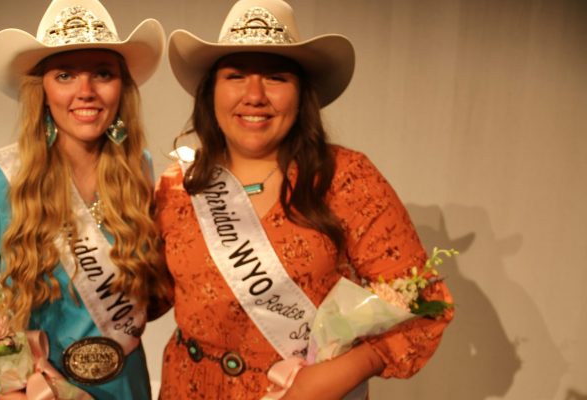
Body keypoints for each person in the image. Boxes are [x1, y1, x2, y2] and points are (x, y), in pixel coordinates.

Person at [156, 0, 454, 398]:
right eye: (236, 75)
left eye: (276, 78)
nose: (255, 95)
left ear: (301, 95)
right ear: (211, 91)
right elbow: (147, 297)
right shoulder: (178, 186)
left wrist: (347, 371)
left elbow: (424, 301)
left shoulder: (345, 177)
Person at [0, 0, 170, 398]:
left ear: (121, 88)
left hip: (129, 386)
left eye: (103, 74)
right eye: (65, 74)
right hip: (44, 392)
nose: (86, 91)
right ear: (42, 89)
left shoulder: (137, 170)